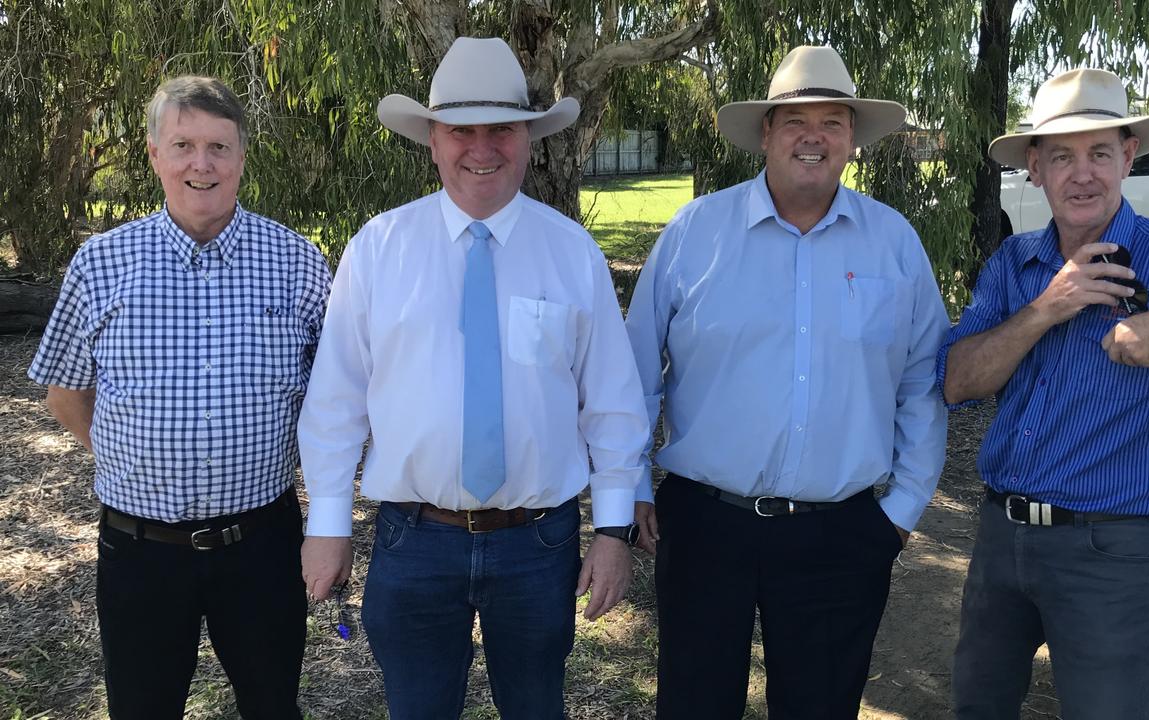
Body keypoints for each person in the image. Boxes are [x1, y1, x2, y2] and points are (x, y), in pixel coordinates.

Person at [296, 36, 650, 719]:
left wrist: (612, 533)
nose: (482, 149)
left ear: (528, 141)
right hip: (413, 540)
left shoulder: (570, 252)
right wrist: (328, 524)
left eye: (502, 130)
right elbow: (336, 400)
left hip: (538, 543)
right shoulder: (379, 249)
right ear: (432, 140)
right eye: (462, 130)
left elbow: (611, 403)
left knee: (536, 708)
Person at [941, 67, 1149, 719]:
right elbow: (957, 382)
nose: (1082, 174)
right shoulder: (1013, 265)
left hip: (1115, 552)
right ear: (1034, 168)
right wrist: (1044, 308)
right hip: (999, 540)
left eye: (1099, 152)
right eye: (1061, 156)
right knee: (977, 708)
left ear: (1127, 157)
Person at [625, 45, 949, 719]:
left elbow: (922, 380)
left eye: (832, 120)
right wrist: (629, 487)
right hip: (704, 524)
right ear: (765, 134)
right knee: (692, 706)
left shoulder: (893, 243)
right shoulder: (694, 233)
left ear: (852, 139)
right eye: (794, 119)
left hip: (841, 533)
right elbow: (633, 373)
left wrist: (902, 509)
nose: (813, 136)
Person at [27, 75, 330, 719]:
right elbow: (65, 391)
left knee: (273, 706)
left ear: (242, 157)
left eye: (219, 146)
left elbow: (337, 398)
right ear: (153, 153)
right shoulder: (100, 263)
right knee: (141, 709)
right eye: (184, 144)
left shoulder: (298, 262)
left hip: (262, 545)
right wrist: (128, 460)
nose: (202, 163)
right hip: (140, 552)